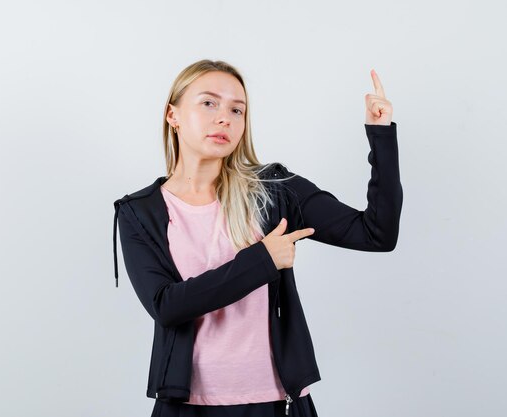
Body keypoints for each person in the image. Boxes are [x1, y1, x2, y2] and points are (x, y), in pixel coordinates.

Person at [112, 59, 403, 417]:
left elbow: (376, 234)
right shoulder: (140, 211)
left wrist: (381, 135)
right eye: (209, 103)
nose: (225, 118)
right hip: (185, 406)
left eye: (237, 109)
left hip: (275, 402)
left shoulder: (275, 190)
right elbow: (167, 306)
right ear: (172, 115)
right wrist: (263, 260)